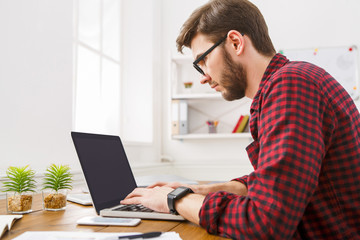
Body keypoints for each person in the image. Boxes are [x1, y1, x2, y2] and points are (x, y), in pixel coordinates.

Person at [121, 0, 360, 239]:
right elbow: (277, 180)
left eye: (203, 60)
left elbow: (264, 223)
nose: (203, 78)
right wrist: (202, 190)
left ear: (235, 42)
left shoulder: (290, 85)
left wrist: (176, 200)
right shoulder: (291, 80)